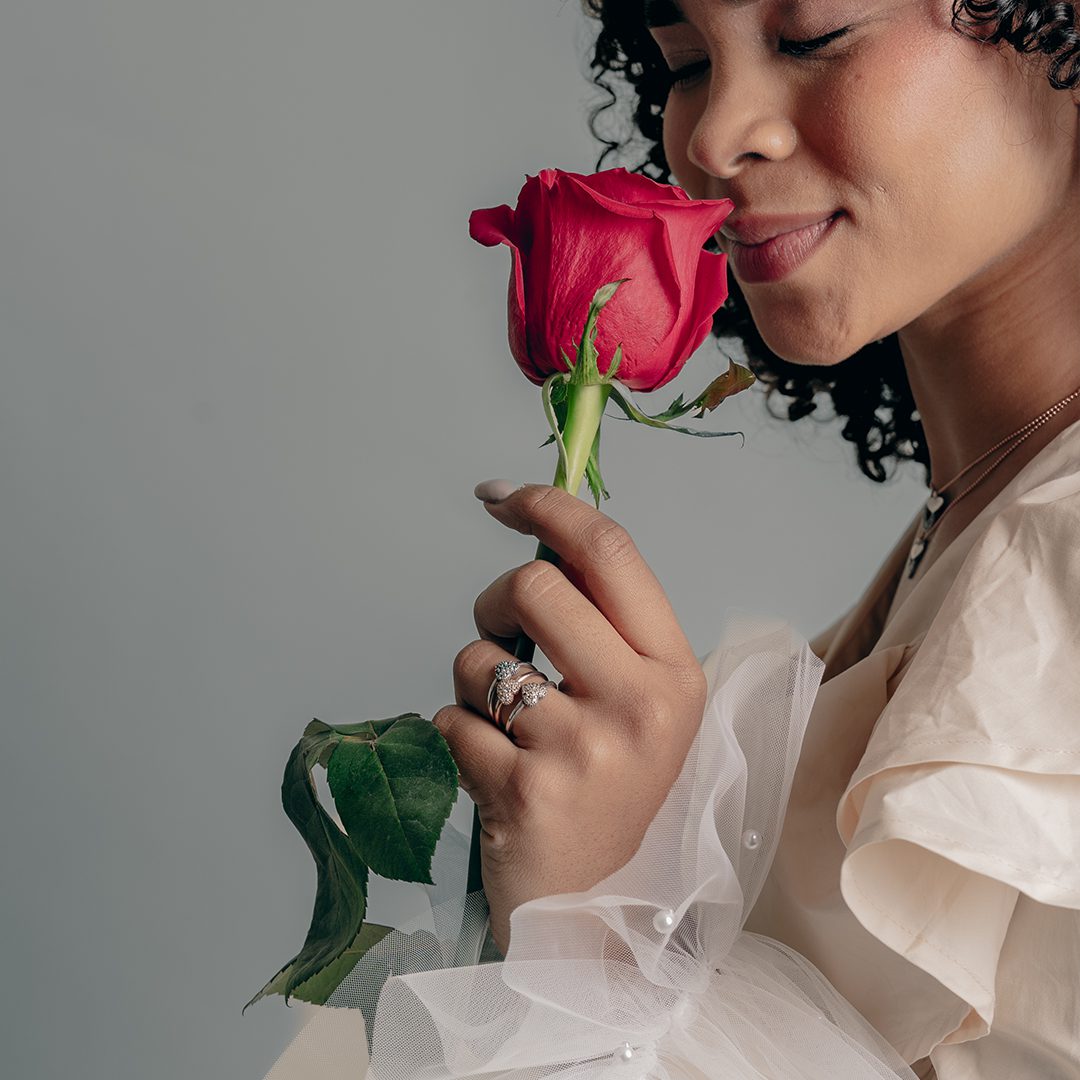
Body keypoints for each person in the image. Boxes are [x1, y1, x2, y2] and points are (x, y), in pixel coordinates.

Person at [261, 3, 1079, 1078]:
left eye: (812, 35)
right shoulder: (977, 525)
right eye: (684, 59)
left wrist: (591, 939)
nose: (710, 134)